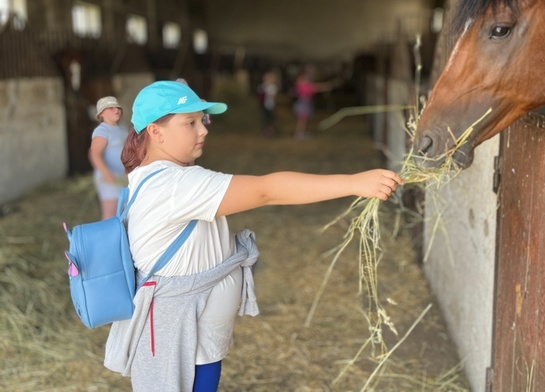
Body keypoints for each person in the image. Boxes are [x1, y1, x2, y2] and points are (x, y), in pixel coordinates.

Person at [103, 80, 402, 392]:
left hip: (192, 338)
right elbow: (266, 191)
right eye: (189, 122)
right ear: (155, 132)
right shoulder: (175, 185)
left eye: (203, 120)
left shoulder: (159, 177)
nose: (204, 130)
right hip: (177, 337)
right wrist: (353, 183)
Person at [88, 96, 128, 220]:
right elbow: (94, 154)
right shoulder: (102, 130)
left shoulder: (122, 128)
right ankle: (106, 239)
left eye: (117, 107)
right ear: (101, 113)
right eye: (111, 108)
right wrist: (107, 174)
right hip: (109, 179)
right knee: (110, 215)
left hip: (121, 178)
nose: (116, 110)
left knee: (122, 213)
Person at [292, 65, 332, 139]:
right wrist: (325, 86)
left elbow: (315, 86)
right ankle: (299, 133)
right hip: (303, 104)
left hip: (305, 103)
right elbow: (316, 87)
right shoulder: (303, 85)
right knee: (302, 120)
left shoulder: (305, 84)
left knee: (305, 119)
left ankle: (302, 132)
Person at [257, 70, 279, 137]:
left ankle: (270, 132)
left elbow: (274, 96)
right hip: (266, 105)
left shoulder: (272, 87)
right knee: (266, 119)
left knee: (269, 119)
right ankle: (266, 132)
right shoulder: (264, 86)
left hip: (270, 105)